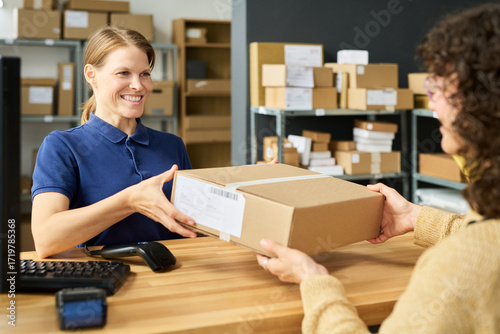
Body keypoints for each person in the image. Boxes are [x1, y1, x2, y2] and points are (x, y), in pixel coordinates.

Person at [256, 3, 500, 333]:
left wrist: (313, 280)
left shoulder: (461, 266)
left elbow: (479, 250)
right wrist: (416, 217)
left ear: (481, 103)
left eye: (440, 89)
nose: (431, 103)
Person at [31, 26, 197, 258]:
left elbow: (195, 223)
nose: (138, 86)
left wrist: (256, 187)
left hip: (176, 276)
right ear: (91, 75)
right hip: (107, 281)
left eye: (145, 74)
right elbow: (46, 239)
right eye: (123, 73)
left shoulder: (173, 145)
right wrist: (130, 201)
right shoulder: (62, 146)